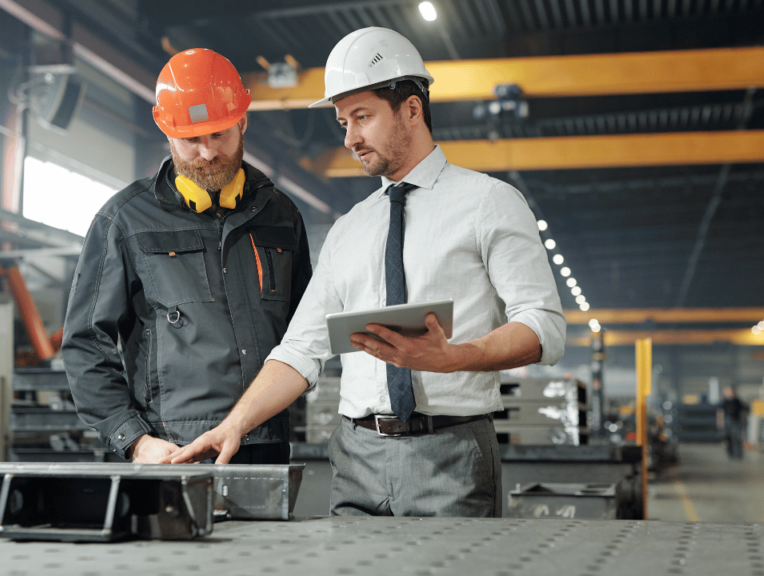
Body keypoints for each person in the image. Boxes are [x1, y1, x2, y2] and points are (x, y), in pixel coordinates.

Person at [172, 27, 565, 517]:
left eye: (362, 117)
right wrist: (235, 424)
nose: (350, 138)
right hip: (356, 456)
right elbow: (301, 349)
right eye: (342, 122)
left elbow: (544, 326)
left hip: (451, 452)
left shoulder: (489, 203)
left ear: (412, 109)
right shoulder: (349, 229)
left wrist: (455, 356)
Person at [62, 48, 312, 464]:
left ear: (243, 121)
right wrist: (135, 440)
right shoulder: (124, 221)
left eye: (220, 134)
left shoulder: (281, 215)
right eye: (191, 139)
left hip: (265, 443)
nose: (208, 152)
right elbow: (86, 342)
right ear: (167, 132)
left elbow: (307, 332)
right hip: (174, 450)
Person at [718, 386, 747, 460]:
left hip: (736, 422)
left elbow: (744, 409)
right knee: (729, 439)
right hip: (727, 423)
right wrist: (720, 424)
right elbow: (720, 413)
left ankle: (738, 454)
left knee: (737, 438)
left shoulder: (737, 401)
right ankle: (730, 454)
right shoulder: (724, 402)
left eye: (732, 391)